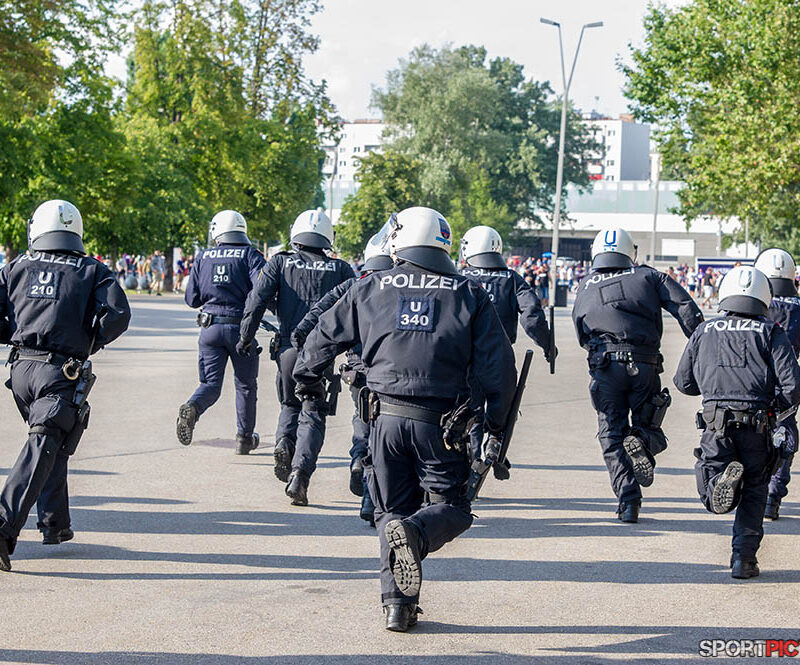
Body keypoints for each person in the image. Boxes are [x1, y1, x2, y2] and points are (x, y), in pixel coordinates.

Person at [293, 207, 516, 632]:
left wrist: (306, 384)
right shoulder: (468, 293)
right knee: (453, 509)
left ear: (399, 238)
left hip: (383, 421)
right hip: (442, 426)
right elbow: (498, 371)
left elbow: (320, 339)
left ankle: (398, 605)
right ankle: (416, 538)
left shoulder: (370, 286)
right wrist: (496, 424)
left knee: (390, 512)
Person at [0, 199, 131, 571]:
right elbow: (119, 315)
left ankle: (54, 523)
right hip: (62, 371)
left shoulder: (15, 266)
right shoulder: (91, 269)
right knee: (44, 441)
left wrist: (17, 335)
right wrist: (90, 342)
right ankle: (3, 524)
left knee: (52, 441)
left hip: (21, 370)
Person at [674, 266, 800, 578]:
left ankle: (718, 484)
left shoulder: (704, 330)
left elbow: (683, 382)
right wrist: (774, 409)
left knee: (710, 473)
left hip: (716, 423)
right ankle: (743, 560)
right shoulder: (771, 331)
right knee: (756, 489)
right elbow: (792, 385)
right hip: (757, 424)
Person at [572, 227, 703, 522]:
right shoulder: (649, 275)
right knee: (649, 427)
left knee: (610, 434)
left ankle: (628, 500)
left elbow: (580, 330)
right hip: (644, 364)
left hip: (605, 366)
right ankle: (642, 442)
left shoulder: (585, 284)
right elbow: (685, 308)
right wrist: (702, 345)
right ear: (630, 252)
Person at [238, 208, 355, 505]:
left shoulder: (279, 262)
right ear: (328, 237)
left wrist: (246, 337)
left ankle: (283, 442)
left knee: (289, 403)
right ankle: (300, 475)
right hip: (323, 353)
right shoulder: (341, 269)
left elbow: (257, 300)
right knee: (313, 411)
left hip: (288, 349)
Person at [291, 233, 394, 525]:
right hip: (390, 369)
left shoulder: (353, 285)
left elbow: (318, 314)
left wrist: (300, 341)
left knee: (364, 422)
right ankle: (369, 498)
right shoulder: (400, 286)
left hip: (357, 370)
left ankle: (356, 459)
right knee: (382, 432)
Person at [458, 225, 556, 476]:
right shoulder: (513, 279)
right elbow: (532, 318)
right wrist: (547, 345)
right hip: (500, 356)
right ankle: (495, 441)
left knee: (471, 413)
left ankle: (472, 461)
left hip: (465, 358)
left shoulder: (460, 278)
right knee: (501, 408)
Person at [176, 210, 266, 454]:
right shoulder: (250, 255)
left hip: (210, 329)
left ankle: (193, 407)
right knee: (245, 385)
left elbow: (192, 298)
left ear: (216, 230)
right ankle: (244, 439)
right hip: (241, 331)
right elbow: (263, 288)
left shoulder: (203, 257)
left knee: (211, 384)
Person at [753, 249, 800, 520]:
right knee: (785, 433)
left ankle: (750, 488)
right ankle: (773, 495)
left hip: (751, 381)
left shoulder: (752, 305)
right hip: (786, 383)